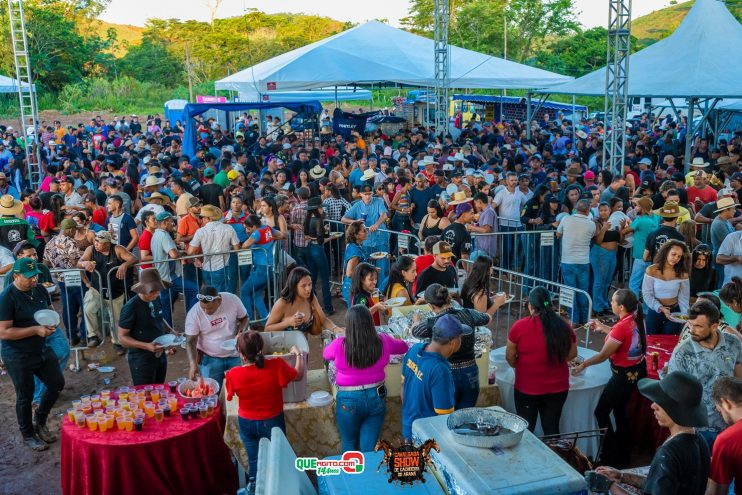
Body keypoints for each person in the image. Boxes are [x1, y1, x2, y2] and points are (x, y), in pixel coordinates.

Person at [587, 371, 710, 495]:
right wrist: (621, 476)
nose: (653, 406)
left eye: (660, 403)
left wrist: (609, 485)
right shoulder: (701, 441)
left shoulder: (669, 453)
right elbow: (659, 484)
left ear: (674, 410)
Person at [573, 289, 647, 467]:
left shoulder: (622, 326)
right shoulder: (635, 317)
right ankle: (623, 449)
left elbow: (602, 355)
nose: (611, 304)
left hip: (623, 375)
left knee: (601, 411)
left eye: (613, 302)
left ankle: (610, 451)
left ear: (621, 307)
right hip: (636, 371)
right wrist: (602, 328)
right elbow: (620, 337)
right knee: (620, 410)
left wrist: (583, 365)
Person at [225, 331, 304, 493]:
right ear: (261, 348)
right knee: (278, 459)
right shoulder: (276, 364)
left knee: (254, 462)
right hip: (272, 420)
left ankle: (254, 489)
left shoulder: (233, 374)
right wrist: (299, 354)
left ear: (241, 354)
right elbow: (298, 374)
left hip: (247, 423)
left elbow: (230, 395)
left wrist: (240, 344)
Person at [0, 258, 65, 451]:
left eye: (35, 275)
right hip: (17, 354)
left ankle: (40, 420)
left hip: (40, 347)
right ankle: (28, 434)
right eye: (28, 277)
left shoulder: (39, 289)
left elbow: (49, 310)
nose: (34, 279)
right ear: (16, 276)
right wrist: (36, 330)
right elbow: (4, 332)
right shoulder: (6, 298)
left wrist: (51, 321)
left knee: (56, 383)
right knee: (24, 395)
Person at [323, 305, 408, 452]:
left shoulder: (339, 344)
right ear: (370, 324)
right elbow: (404, 347)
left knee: (349, 443)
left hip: (348, 399)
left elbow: (326, 354)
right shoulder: (383, 341)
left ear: (349, 326)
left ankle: (351, 474)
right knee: (369, 447)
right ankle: (367, 472)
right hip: (376, 395)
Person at [668, 300, 742, 448]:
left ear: (714, 326)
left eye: (698, 326)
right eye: (690, 324)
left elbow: (739, 377)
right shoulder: (682, 352)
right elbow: (674, 394)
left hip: (731, 424)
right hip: (701, 428)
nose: (691, 330)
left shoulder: (733, 343)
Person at [506, 287, 577, 435]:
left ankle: (527, 458)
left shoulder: (520, 326)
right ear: (550, 304)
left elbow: (510, 357)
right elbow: (572, 354)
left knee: (525, 431)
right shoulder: (564, 326)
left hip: (527, 387)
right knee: (552, 429)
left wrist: (520, 365)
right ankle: (555, 457)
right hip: (558, 388)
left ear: (530, 306)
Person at [411, 284, 491, 408]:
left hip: (446, 373)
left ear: (431, 306)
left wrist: (416, 320)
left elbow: (415, 332)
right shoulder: (468, 313)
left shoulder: (432, 323)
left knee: (445, 414)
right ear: (449, 298)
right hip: (470, 371)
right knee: (466, 414)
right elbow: (487, 318)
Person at [401, 313, 468, 440]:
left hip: (408, 428)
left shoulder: (414, 349)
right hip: (426, 437)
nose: (461, 340)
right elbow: (445, 417)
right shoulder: (440, 370)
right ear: (453, 342)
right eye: (461, 337)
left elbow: (403, 387)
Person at [78, 230, 137, 354]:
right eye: (96, 241)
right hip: (96, 288)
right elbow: (79, 262)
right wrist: (85, 263)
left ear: (108, 243)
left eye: (100, 242)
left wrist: (124, 265)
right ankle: (92, 335)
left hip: (116, 290)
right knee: (88, 308)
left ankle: (117, 343)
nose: (96, 244)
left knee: (116, 318)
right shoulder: (91, 249)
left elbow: (134, 258)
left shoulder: (117, 249)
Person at [117, 268, 176, 385]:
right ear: (143, 290)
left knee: (159, 390)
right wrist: (146, 346)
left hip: (159, 355)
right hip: (141, 359)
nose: (157, 293)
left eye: (158, 290)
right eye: (153, 291)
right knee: (145, 395)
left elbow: (159, 317)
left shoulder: (155, 299)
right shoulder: (131, 307)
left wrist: (171, 331)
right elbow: (122, 337)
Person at [185, 286, 249, 384]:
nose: (206, 311)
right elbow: (190, 341)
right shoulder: (194, 314)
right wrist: (193, 364)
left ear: (218, 301)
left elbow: (244, 318)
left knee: (239, 388)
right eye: (203, 308)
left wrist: (240, 332)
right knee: (211, 392)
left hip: (235, 354)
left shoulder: (232, 300)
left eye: (209, 308)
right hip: (210, 359)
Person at [151, 211, 198, 326]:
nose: (173, 224)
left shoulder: (156, 234)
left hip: (162, 275)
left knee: (166, 303)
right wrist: (182, 253)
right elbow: (173, 255)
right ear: (165, 222)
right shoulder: (164, 235)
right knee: (194, 290)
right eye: (171, 222)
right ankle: (191, 321)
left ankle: (167, 328)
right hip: (170, 277)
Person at [43, 218, 86, 346]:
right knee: (85, 306)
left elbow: (45, 263)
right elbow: (76, 264)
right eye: (74, 230)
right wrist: (87, 281)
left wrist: (58, 267)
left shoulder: (50, 243)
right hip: (76, 279)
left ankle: (72, 336)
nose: (75, 233)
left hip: (61, 280)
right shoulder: (69, 241)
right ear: (69, 230)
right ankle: (84, 335)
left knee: (68, 308)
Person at [265, 267, 341, 334]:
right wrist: (287, 322)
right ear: (294, 286)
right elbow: (267, 329)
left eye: (310, 284)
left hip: (303, 348)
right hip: (284, 348)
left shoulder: (311, 298)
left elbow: (323, 320)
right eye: (303, 286)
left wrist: (336, 329)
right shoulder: (282, 303)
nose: (308, 289)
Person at [557, 199, 595, 324]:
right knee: (583, 290)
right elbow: (593, 235)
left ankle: (574, 318)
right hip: (583, 261)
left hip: (568, 261)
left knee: (570, 290)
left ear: (575, 208)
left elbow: (558, 234)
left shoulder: (566, 219)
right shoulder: (591, 224)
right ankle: (585, 318)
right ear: (588, 210)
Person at [341, 182, 390, 282]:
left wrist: (376, 224)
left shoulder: (379, 201)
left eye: (369, 194)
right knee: (368, 270)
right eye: (365, 194)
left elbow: (384, 215)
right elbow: (343, 219)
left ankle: (381, 292)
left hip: (380, 240)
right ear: (360, 194)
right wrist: (355, 221)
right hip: (365, 242)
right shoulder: (357, 205)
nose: (368, 196)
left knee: (382, 269)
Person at [240, 214, 284, 322]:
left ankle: (249, 320)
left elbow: (244, 245)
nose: (246, 230)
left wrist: (251, 237)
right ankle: (266, 321)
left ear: (254, 226)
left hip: (261, 269)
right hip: (269, 267)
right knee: (256, 294)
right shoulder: (267, 228)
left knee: (244, 291)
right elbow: (282, 235)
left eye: (248, 228)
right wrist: (271, 238)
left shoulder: (256, 233)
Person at [642, 239, 691, 335]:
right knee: (652, 341)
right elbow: (647, 294)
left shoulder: (683, 274)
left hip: (674, 312)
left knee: (670, 342)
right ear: (666, 252)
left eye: (679, 256)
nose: (676, 258)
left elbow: (684, 297)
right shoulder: (651, 270)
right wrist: (660, 307)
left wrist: (685, 315)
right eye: (673, 254)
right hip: (655, 310)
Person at [187, 204, 239, 292]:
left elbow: (190, 252)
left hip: (206, 267)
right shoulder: (228, 228)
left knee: (210, 294)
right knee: (221, 294)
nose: (201, 219)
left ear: (208, 218)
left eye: (202, 217)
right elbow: (237, 248)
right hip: (222, 267)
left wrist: (196, 260)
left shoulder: (200, 231)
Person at [706, 377, 742, 495]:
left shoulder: (726, 440)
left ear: (726, 403)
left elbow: (717, 492)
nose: (721, 416)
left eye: (719, 410)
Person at [303, 196, 334, 314]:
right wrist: (332, 236)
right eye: (321, 207)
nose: (322, 210)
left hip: (309, 248)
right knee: (325, 278)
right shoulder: (318, 220)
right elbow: (321, 241)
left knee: (313, 279)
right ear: (316, 209)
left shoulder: (308, 219)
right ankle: (328, 307)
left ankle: (313, 305)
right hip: (318, 250)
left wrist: (312, 237)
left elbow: (307, 236)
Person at [592, 202, 622, 315]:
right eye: (601, 210)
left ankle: (604, 304)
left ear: (610, 211)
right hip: (600, 254)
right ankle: (597, 307)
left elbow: (621, 240)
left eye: (606, 210)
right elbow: (598, 241)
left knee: (607, 281)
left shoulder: (614, 221)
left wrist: (622, 229)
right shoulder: (596, 223)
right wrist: (604, 229)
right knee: (599, 281)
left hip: (612, 254)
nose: (603, 212)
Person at [627, 197, 660, 296]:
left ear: (643, 208)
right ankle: (646, 310)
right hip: (653, 256)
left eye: (637, 206)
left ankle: (634, 309)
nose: (635, 208)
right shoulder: (656, 217)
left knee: (634, 284)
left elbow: (625, 231)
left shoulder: (640, 220)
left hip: (640, 256)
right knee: (649, 286)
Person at [340, 220, 368, 307]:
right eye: (364, 231)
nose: (366, 232)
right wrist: (368, 272)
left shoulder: (354, 245)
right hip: (353, 288)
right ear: (356, 235)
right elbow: (349, 273)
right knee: (356, 316)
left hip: (353, 287)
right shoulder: (355, 251)